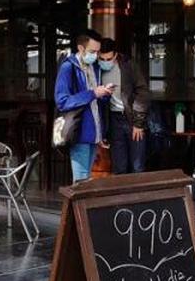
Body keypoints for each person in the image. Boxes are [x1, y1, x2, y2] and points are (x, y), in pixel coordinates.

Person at [54, 29, 113, 183]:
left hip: (94, 134)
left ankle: (75, 208)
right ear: (81, 48)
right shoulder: (69, 67)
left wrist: (104, 93)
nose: (95, 55)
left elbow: (96, 100)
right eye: (92, 51)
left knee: (85, 182)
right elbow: (62, 101)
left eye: (97, 51)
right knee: (81, 183)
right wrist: (93, 93)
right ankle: (74, 208)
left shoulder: (94, 67)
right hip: (79, 133)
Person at [97, 38, 150, 174]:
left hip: (132, 118)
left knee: (137, 165)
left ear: (115, 55)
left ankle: (137, 195)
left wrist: (138, 123)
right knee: (118, 166)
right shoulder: (96, 68)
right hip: (113, 119)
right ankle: (121, 195)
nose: (105, 62)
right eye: (102, 59)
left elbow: (142, 91)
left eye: (109, 59)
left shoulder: (128, 65)